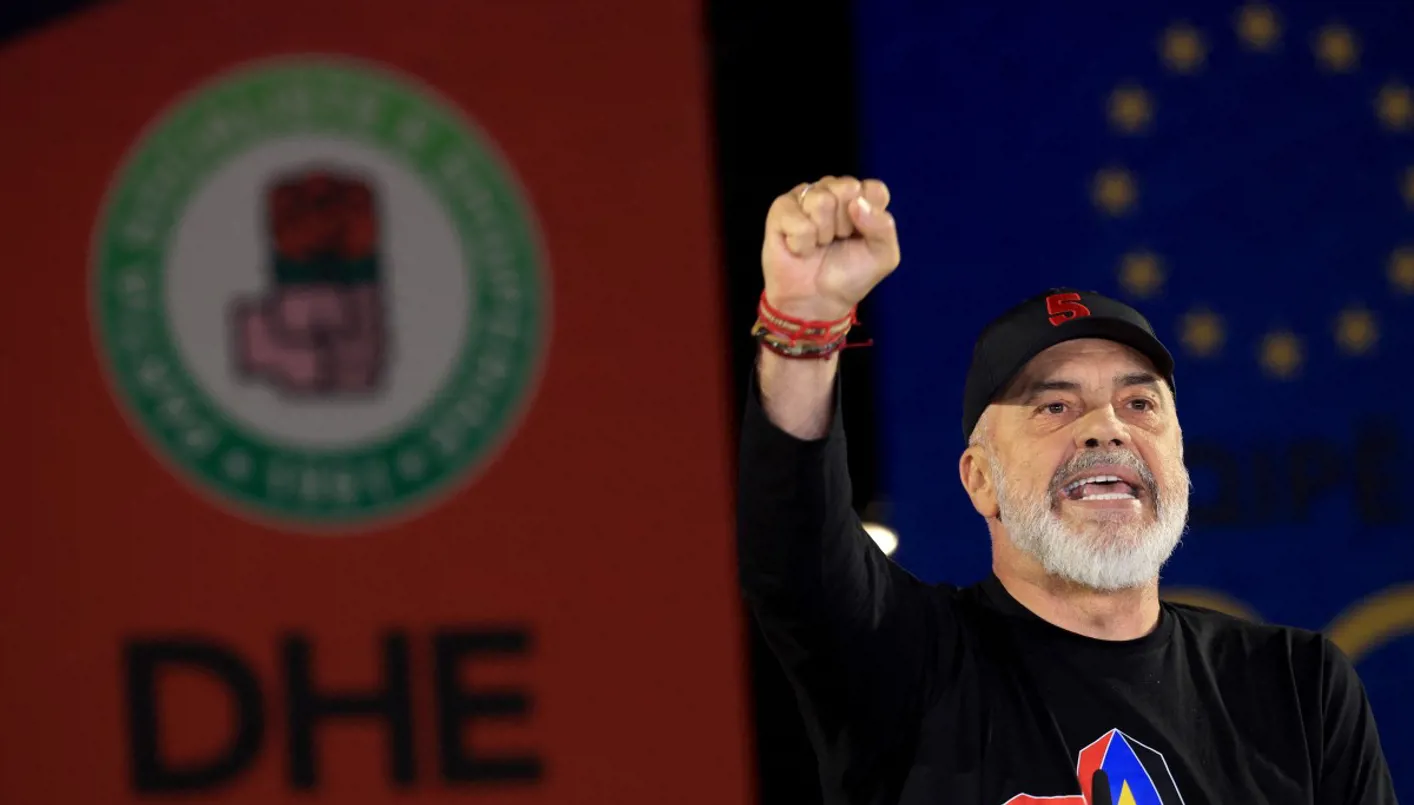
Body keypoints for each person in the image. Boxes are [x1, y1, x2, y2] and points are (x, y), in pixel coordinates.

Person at [736, 175, 1398, 804]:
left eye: (1139, 404)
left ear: (1179, 456)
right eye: (1054, 406)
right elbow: (797, 546)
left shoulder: (1298, 688)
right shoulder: (910, 663)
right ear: (980, 480)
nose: (1106, 427)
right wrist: (803, 326)